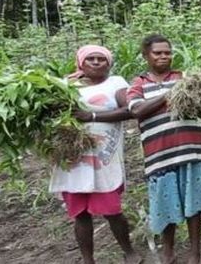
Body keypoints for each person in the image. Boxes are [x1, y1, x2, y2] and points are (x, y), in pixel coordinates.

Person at [126, 34, 201, 264]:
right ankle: (169, 253)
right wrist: (171, 93)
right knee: (166, 207)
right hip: (159, 157)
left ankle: (195, 254)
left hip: (191, 151)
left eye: (167, 52)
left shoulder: (183, 76)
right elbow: (137, 111)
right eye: (158, 52)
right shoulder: (138, 84)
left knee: (194, 205)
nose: (164, 56)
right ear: (146, 55)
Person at [49, 45, 142, 264]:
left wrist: (89, 116)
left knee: (112, 209)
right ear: (80, 63)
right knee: (80, 213)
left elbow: (129, 110)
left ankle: (128, 251)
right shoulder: (65, 85)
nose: (96, 62)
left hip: (104, 156)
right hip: (73, 158)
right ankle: (88, 259)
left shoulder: (116, 83)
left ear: (109, 64)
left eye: (102, 59)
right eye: (90, 58)